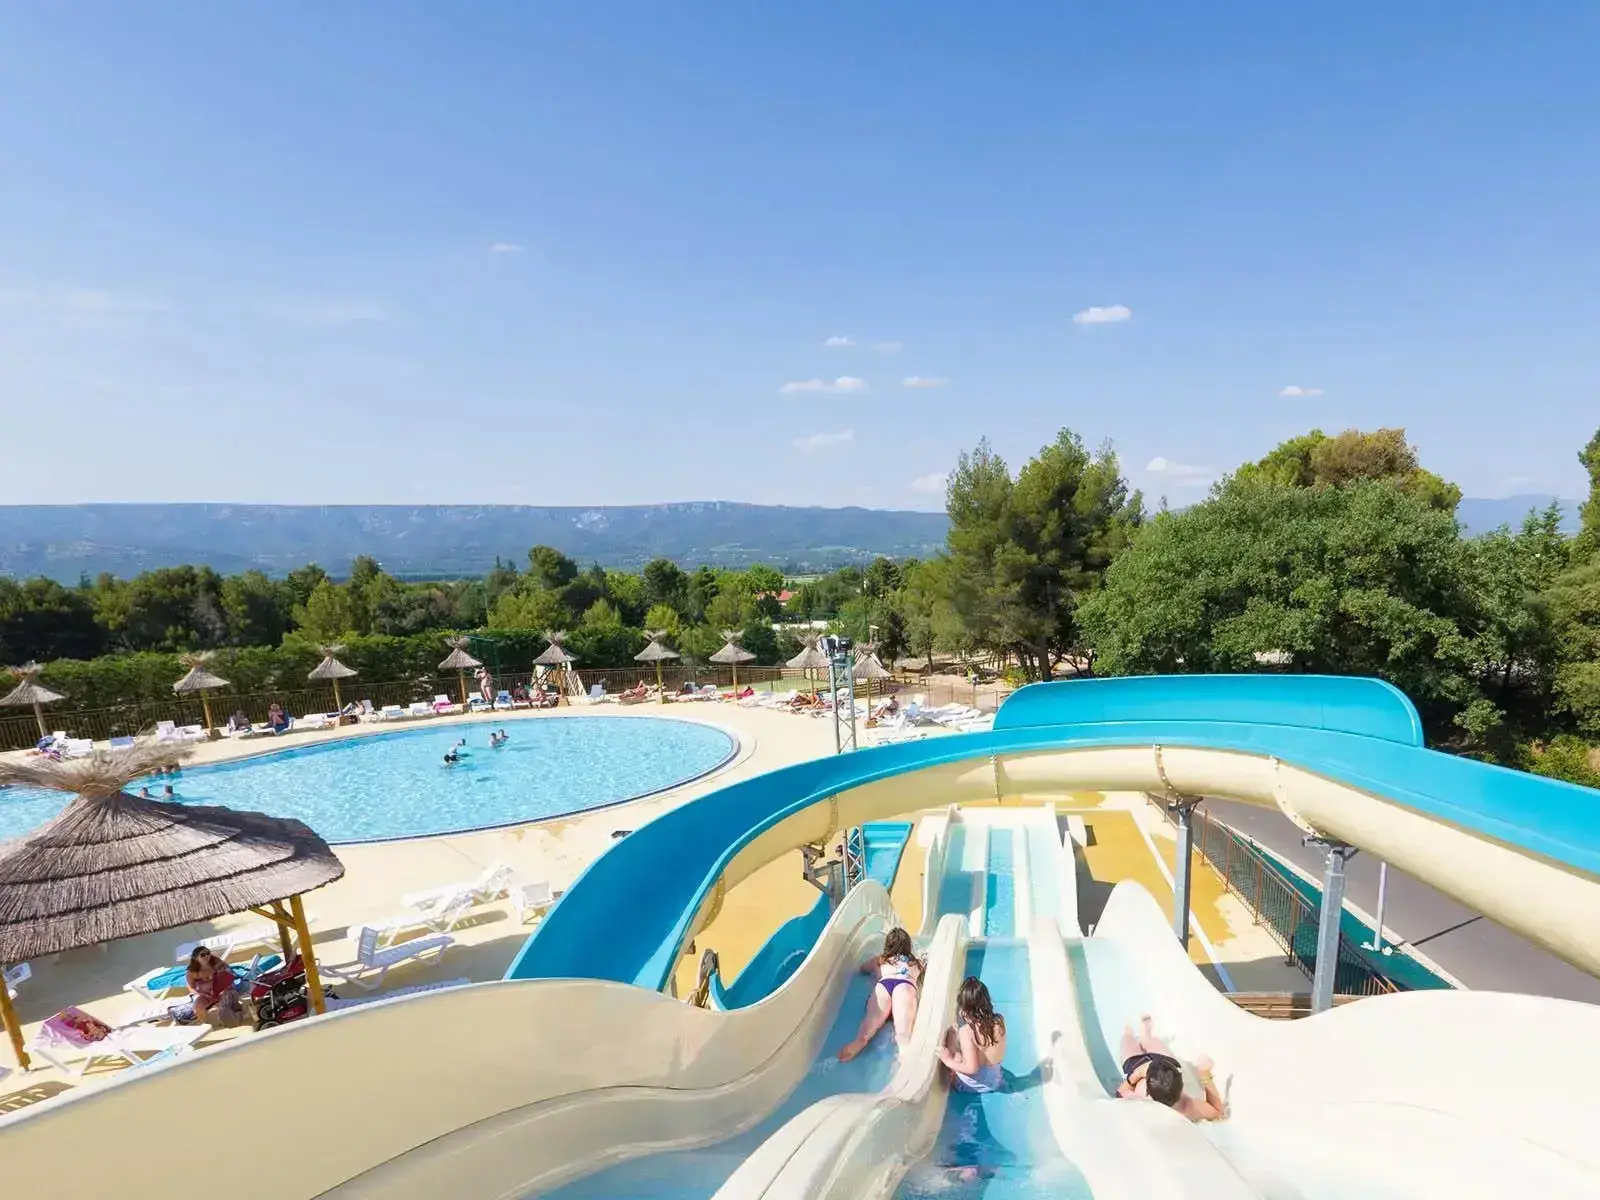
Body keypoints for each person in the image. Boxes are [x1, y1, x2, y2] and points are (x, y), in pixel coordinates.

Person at [1116, 1014, 1225, 1121]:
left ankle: (1130, 1034)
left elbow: (1121, 1091)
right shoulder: (1186, 1106)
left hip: (1136, 1066)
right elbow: (1217, 1111)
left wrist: (1137, 1074)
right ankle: (1146, 1037)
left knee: (1127, 1041)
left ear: (1148, 1092)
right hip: (1165, 1060)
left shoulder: (1140, 1100)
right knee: (1152, 1043)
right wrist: (1204, 1073)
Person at [839, 927, 923, 1061]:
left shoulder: (881, 960)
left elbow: (863, 968)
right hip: (905, 985)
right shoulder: (915, 962)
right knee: (904, 1036)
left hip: (884, 985)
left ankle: (859, 1042)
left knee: (869, 1026)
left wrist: (874, 969)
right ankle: (904, 1053)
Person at [938, 976, 1007, 1093]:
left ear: (965, 1008)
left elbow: (971, 1068)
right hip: (996, 1081)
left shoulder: (966, 1031)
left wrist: (948, 1060)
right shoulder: (999, 1022)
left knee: (952, 1034)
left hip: (972, 1087)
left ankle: (952, 1070)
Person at [186, 947, 249, 1028]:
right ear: (195, 957)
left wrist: (223, 973)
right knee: (198, 1007)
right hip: (206, 994)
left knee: (225, 1006)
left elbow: (229, 974)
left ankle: (235, 1018)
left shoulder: (216, 962)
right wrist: (201, 994)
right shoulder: (191, 971)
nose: (206, 956)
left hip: (223, 990)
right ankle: (206, 1025)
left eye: (208, 953)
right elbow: (191, 987)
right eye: (203, 955)